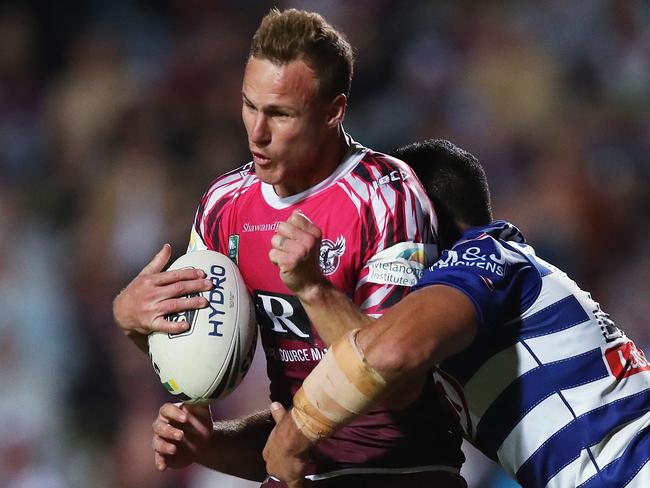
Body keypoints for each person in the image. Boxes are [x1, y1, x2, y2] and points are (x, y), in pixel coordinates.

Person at [113, 9, 467, 487]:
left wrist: (312, 288)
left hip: (402, 472)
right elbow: (207, 362)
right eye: (249, 106)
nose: (257, 132)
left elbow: (398, 386)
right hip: (293, 471)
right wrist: (137, 321)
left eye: (280, 114)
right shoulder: (225, 205)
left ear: (333, 111)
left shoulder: (386, 196)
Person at [262, 139, 650, 488]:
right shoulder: (460, 316)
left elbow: (387, 356)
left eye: (391, 219)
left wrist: (313, 289)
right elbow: (366, 397)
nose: (382, 242)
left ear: (423, 214)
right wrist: (211, 441)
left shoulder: (483, 255)